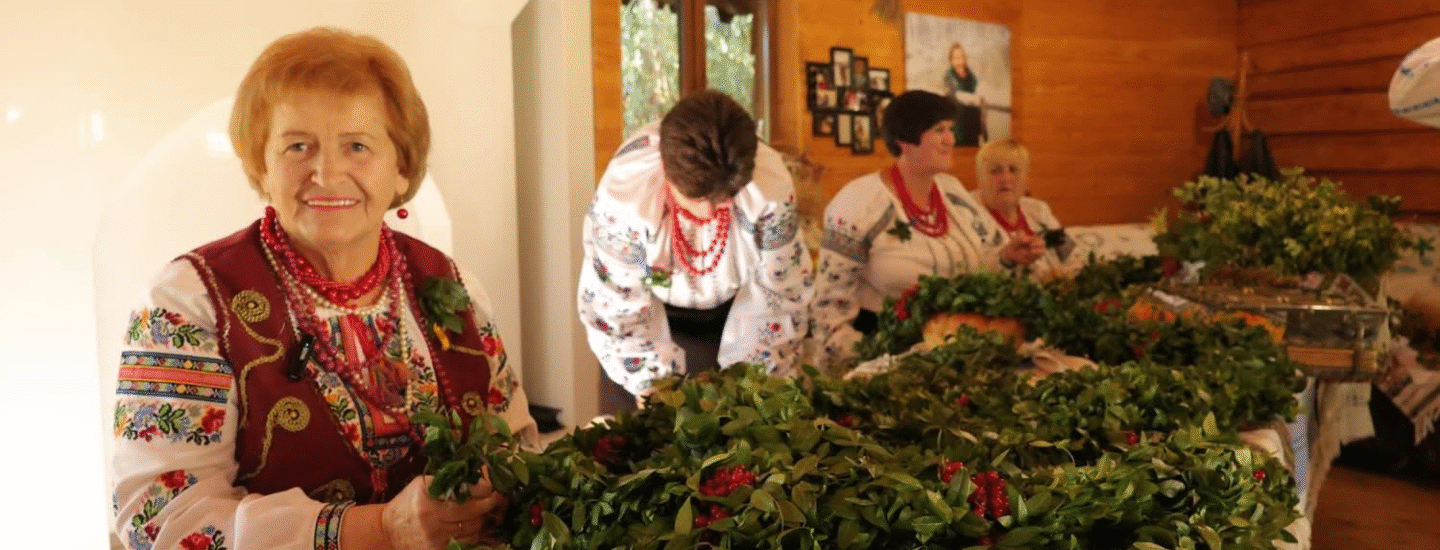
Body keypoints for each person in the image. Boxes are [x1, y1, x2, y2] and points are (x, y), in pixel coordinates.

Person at [109, 27, 537, 550]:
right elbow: (160, 520)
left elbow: (519, 452)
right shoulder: (186, 303)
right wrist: (382, 529)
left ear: (401, 169)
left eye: (357, 146)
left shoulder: (455, 287)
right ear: (261, 166)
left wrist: (497, 494)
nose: (326, 172)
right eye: (298, 146)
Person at [578, 90, 813, 412]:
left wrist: (753, 382)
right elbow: (616, 302)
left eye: (724, 199)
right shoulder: (626, 197)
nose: (707, 214)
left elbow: (780, 290)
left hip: (737, 320)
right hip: (643, 325)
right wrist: (651, 386)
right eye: (696, 200)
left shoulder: (768, 188)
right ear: (665, 169)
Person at [811, 90, 1043, 372]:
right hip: (883, 355)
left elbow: (976, 263)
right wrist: (861, 362)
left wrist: (1006, 256)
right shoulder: (860, 203)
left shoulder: (953, 193)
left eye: (950, 129)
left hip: (956, 351)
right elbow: (829, 305)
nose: (950, 139)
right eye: (939, 130)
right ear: (905, 140)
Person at [972, 138, 1077, 279]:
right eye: (995, 171)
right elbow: (968, 269)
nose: (1005, 178)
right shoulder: (967, 212)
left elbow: (1072, 256)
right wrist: (1005, 259)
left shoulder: (1038, 210)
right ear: (980, 177)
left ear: (1026, 179)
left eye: (1013, 170)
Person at [943, 42, 985, 146]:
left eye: (961, 57)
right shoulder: (949, 76)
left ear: (965, 58)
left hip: (972, 121)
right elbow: (957, 94)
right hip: (957, 122)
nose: (959, 60)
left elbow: (978, 93)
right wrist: (975, 99)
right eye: (956, 57)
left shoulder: (971, 76)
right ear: (951, 60)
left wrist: (980, 100)